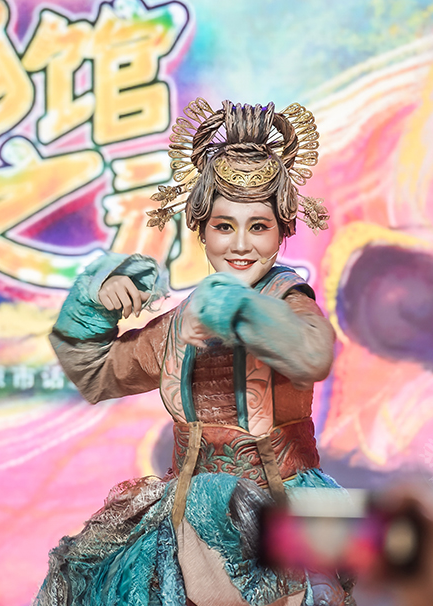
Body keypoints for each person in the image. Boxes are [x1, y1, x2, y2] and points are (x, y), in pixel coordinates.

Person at [35, 98, 347, 606]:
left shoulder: (288, 301)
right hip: (190, 531)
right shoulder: (179, 324)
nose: (240, 244)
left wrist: (229, 306)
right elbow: (94, 374)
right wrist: (98, 296)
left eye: (258, 226)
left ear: (282, 232)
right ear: (201, 230)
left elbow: (313, 354)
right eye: (224, 226)